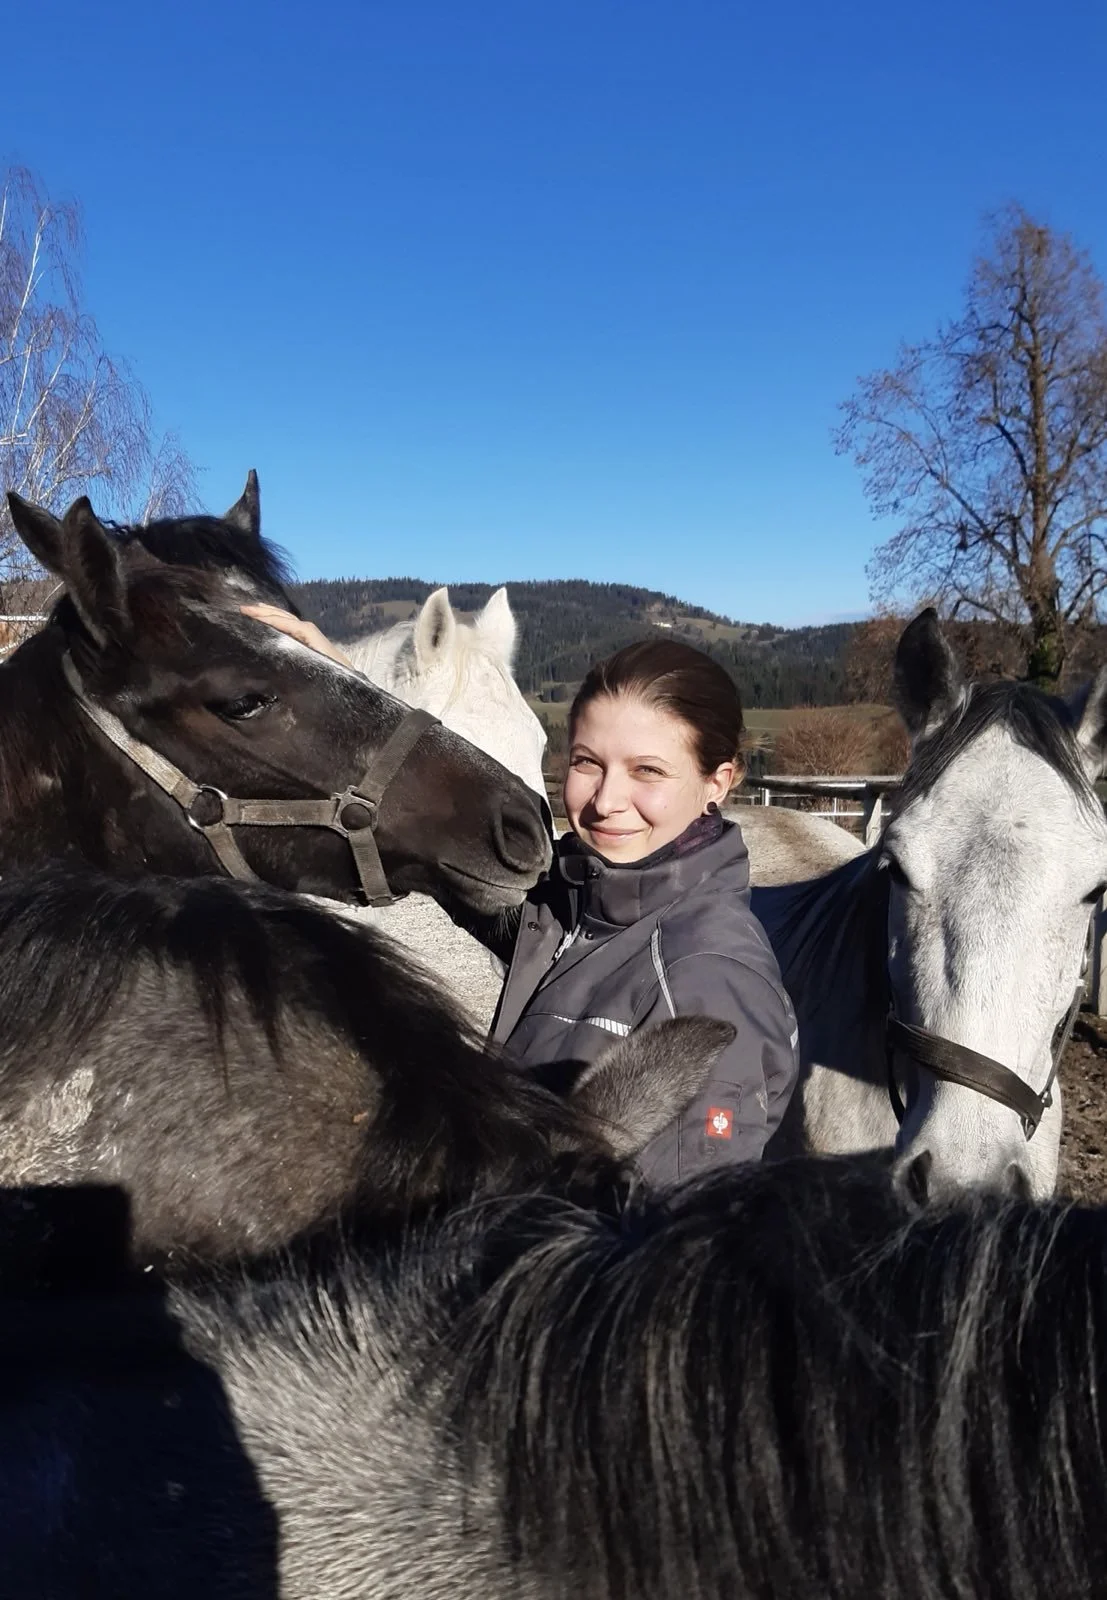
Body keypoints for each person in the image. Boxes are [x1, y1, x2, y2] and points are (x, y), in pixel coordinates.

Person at [244, 606, 799, 1184]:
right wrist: (351, 686)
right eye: (587, 762)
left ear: (717, 783)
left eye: (648, 771)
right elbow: (472, 866)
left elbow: (674, 1228)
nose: (605, 801)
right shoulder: (587, 903)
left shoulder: (706, 979)